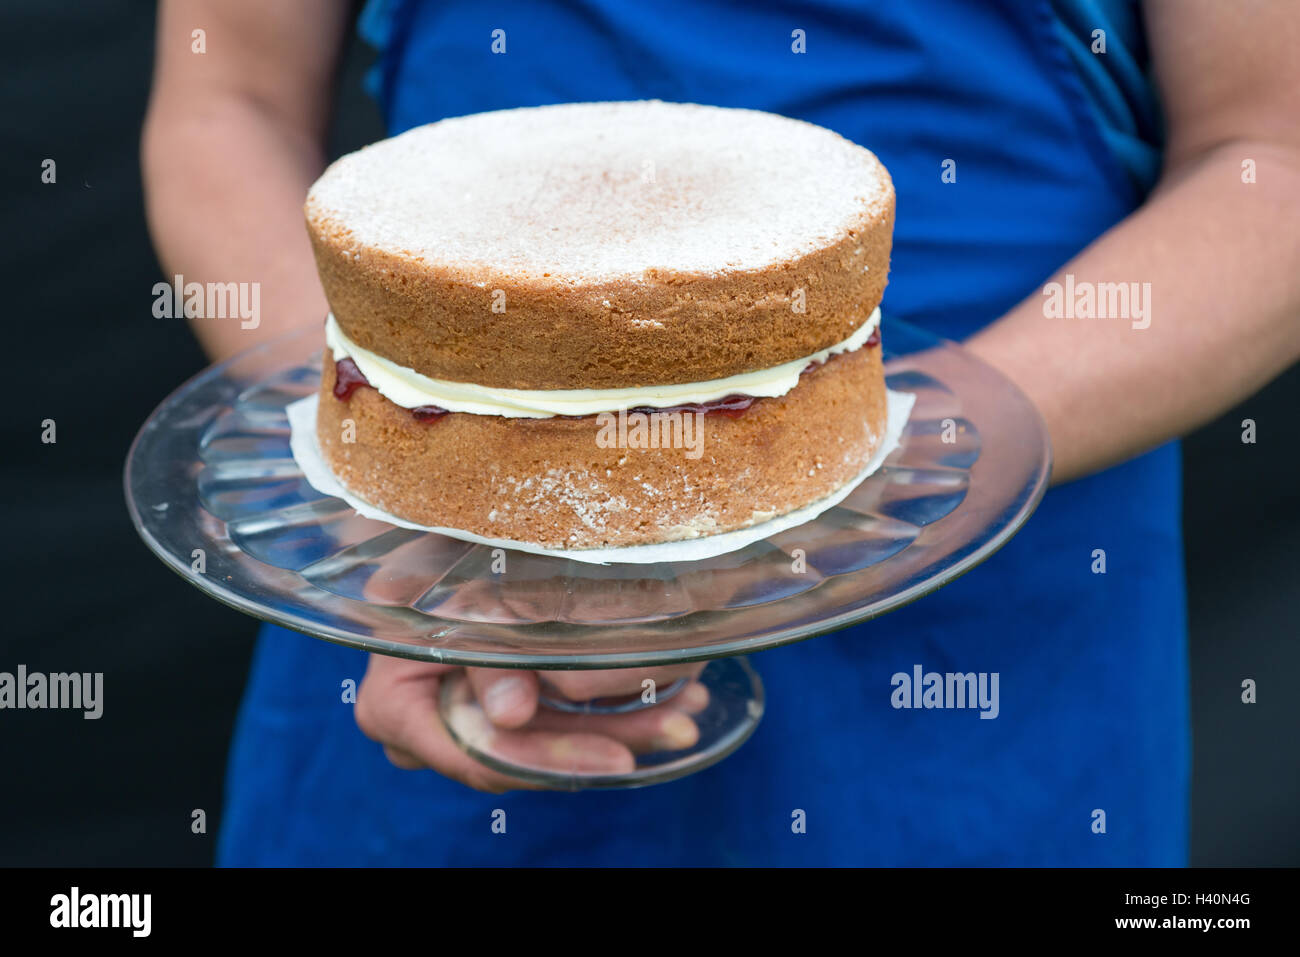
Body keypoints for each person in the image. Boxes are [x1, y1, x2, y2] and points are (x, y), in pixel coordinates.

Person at [142, 0, 1300, 865]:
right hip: (427, 607)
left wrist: (912, 441)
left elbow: (1272, 154)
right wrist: (406, 451)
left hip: (987, 616)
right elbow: (223, 99)